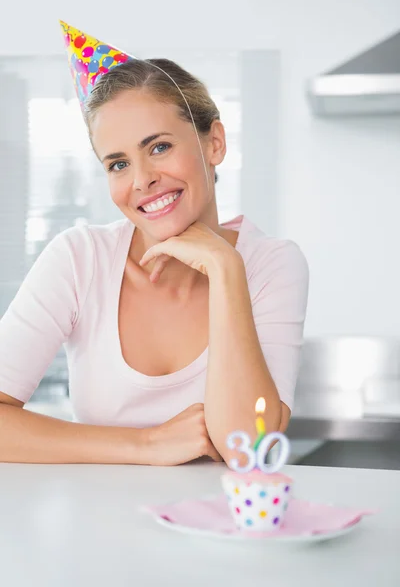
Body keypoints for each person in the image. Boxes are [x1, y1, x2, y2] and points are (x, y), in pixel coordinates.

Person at [0, 24, 309, 466]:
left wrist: (225, 270)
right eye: (119, 163)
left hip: (219, 530)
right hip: (100, 527)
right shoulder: (80, 259)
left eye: (160, 147)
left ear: (214, 143)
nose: (141, 179)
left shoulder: (273, 264)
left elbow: (251, 450)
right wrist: (144, 445)